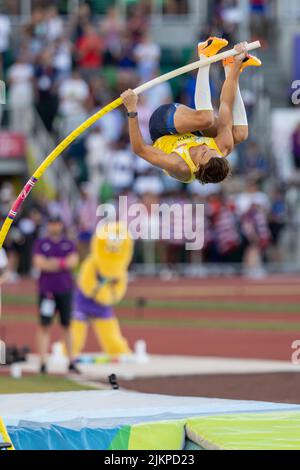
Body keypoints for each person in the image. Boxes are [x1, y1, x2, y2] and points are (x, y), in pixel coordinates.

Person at [121, 38, 262, 185]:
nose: (205, 146)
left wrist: (132, 110)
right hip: (190, 132)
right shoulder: (222, 148)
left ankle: (205, 54)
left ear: (198, 166)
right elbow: (225, 105)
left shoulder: (179, 166)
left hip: (163, 127)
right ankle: (230, 64)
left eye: (203, 153)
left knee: (206, 119)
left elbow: (139, 149)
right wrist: (236, 66)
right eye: (211, 149)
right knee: (240, 134)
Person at [33, 215, 79, 374]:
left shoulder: (68, 243)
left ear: (61, 225)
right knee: (44, 325)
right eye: (51, 223)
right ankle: (43, 362)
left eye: (57, 223)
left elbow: (73, 262)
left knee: (67, 325)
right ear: (48, 226)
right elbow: (39, 263)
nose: (54, 226)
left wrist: (54, 262)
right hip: (47, 291)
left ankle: (72, 361)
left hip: (65, 289)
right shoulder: (41, 243)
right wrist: (62, 263)